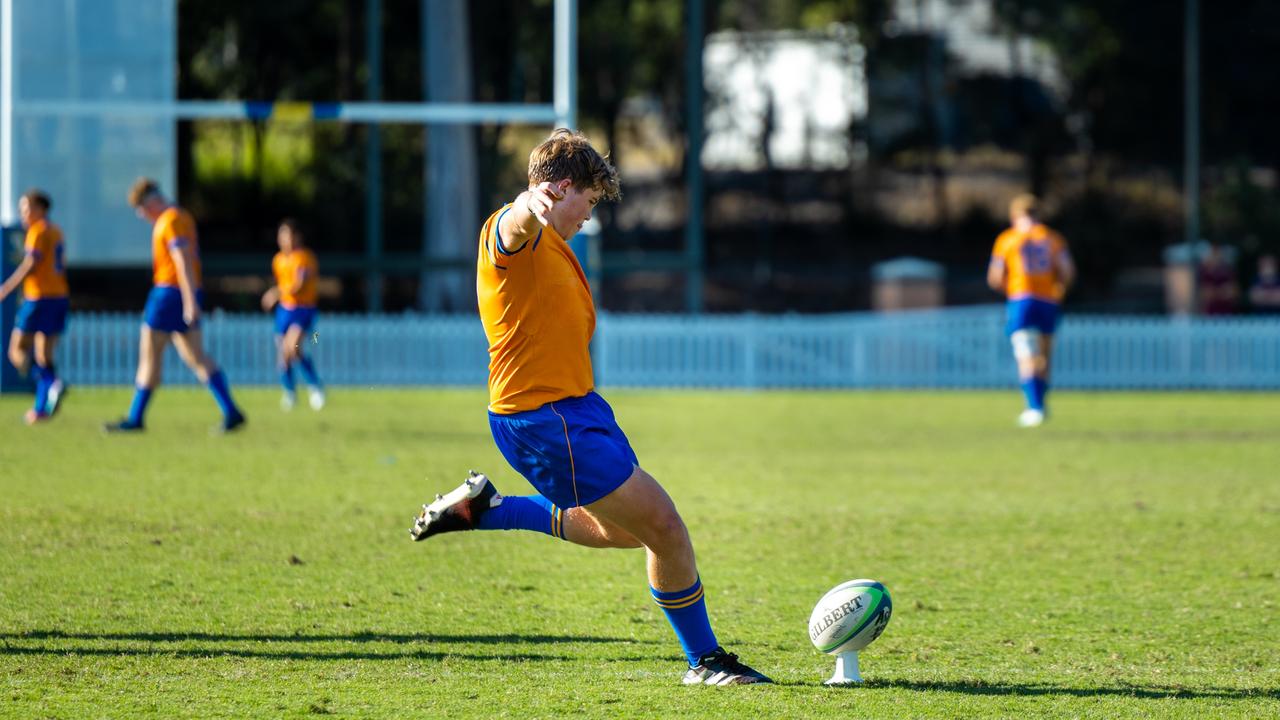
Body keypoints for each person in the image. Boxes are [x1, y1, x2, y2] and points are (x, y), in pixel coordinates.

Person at [408, 129, 771, 686]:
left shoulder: (555, 245)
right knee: (666, 528)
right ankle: (705, 661)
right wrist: (530, 204)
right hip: (544, 420)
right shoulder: (514, 232)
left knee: (629, 532)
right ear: (561, 188)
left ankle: (490, 509)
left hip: (575, 410)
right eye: (589, 201)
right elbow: (516, 223)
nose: (588, 215)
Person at [104, 178, 246, 433]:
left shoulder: (169, 220)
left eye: (142, 208)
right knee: (195, 355)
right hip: (184, 291)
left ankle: (135, 418)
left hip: (170, 293)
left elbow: (182, 260)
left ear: (152, 201)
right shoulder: (181, 217)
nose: (141, 215)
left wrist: (189, 301)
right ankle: (231, 410)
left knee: (150, 354)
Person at [987, 193, 1075, 428]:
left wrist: (1010, 290)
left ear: (1015, 215)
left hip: (1022, 299)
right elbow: (1067, 271)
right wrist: (1059, 290)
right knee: (1044, 356)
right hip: (1048, 299)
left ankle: (1033, 407)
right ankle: (1041, 405)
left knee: (1025, 354)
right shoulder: (1053, 238)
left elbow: (995, 277)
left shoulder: (1008, 239)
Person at [0, 189, 69, 424]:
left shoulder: (37, 231)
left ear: (40, 209)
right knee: (43, 355)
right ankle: (42, 408)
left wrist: (6, 288)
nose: (23, 213)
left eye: (26, 208)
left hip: (39, 297)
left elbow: (31, 264)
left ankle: (52, 384)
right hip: (59, 296)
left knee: (16, 350)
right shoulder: (56, 231)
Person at [260, 218, 324, 410]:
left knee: (294, 346)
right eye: (281, 235)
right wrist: (278, 295)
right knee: (284, 355)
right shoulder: (278, 260)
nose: (284, 240)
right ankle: (290, 393)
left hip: (304, 310)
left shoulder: (304, 257)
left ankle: (315, 387)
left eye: (288, 235)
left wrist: (275, 293)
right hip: (285, 311)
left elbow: (299, 285)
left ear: (297, 237)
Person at [1197, 243, 1238, 316]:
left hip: (1227, 314)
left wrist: (1216, 292)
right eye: (1213, 255)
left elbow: (1233, 292)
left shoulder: (1227, 271)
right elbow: (1206, 294)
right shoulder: (1204, 273)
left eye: (1217, 255)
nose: (1215, 258)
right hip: (1210, 315)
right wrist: (1222, 292)